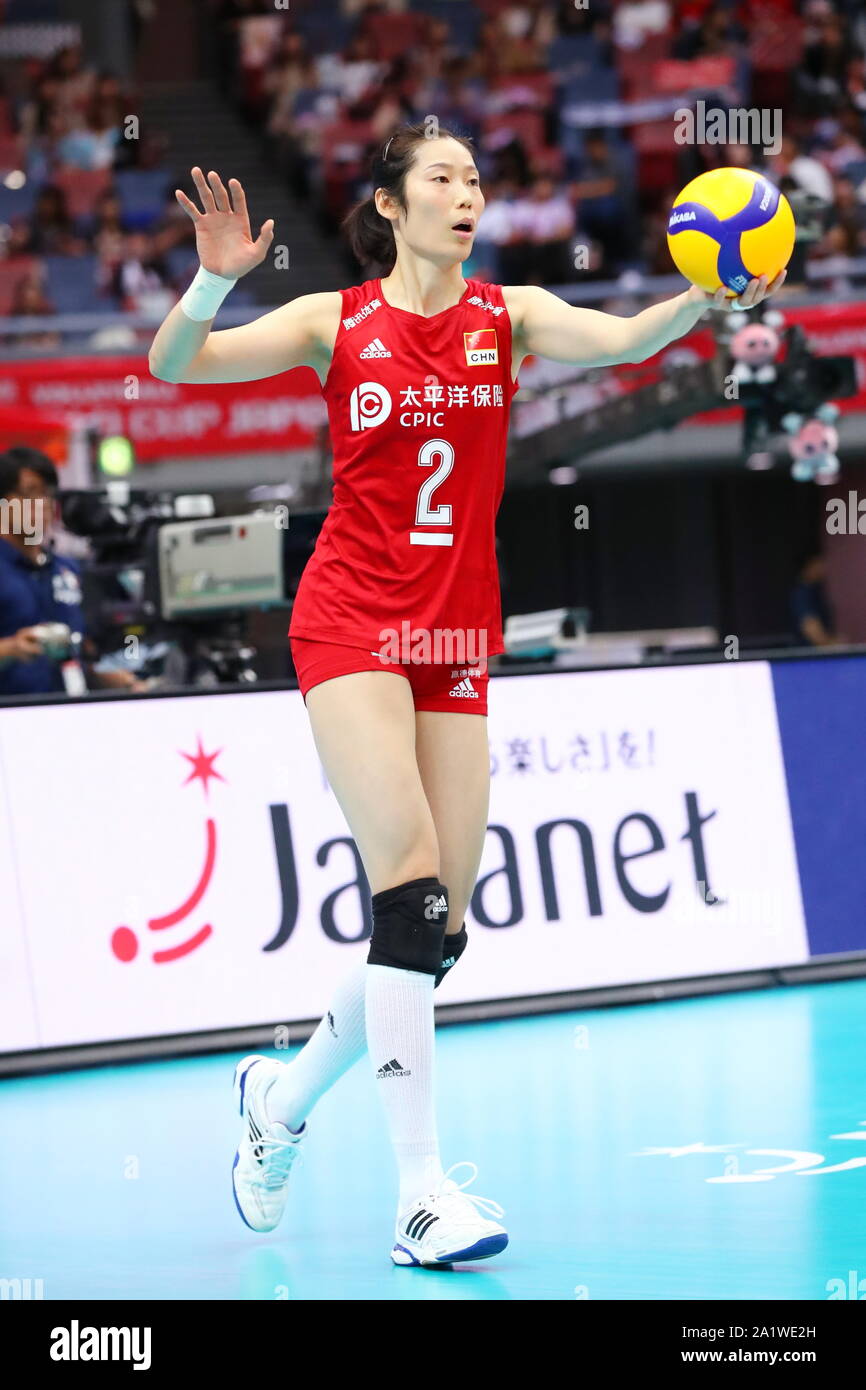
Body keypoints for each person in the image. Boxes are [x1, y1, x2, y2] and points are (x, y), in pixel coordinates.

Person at [148, 122, 783, 1268]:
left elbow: (622, 336)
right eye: (441, 177)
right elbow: (174, 367)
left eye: (476, 180)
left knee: (438, 934)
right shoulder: (333, 321)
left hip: (451, 633)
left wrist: (707, 296)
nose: (466, 194)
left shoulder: (510, 316)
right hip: (348, 618)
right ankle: (419, 1197)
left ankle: (277, 1104)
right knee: (403, 896)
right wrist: (212, 281)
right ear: (389, 204)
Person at [0, 447, 145, 696]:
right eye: (30, 493)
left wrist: (124, 682)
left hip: (69, 714)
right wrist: (10, 649)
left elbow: (83, 657)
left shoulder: (69, 570)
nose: (41, 505)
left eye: (47, 495)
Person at [790, 550, 844, 647]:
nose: (825, 567)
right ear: (811, 564)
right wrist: (832, 645)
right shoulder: (802, 594)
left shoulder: (817, 590)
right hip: (808, 656)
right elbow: (810, 627)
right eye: (820, 563)